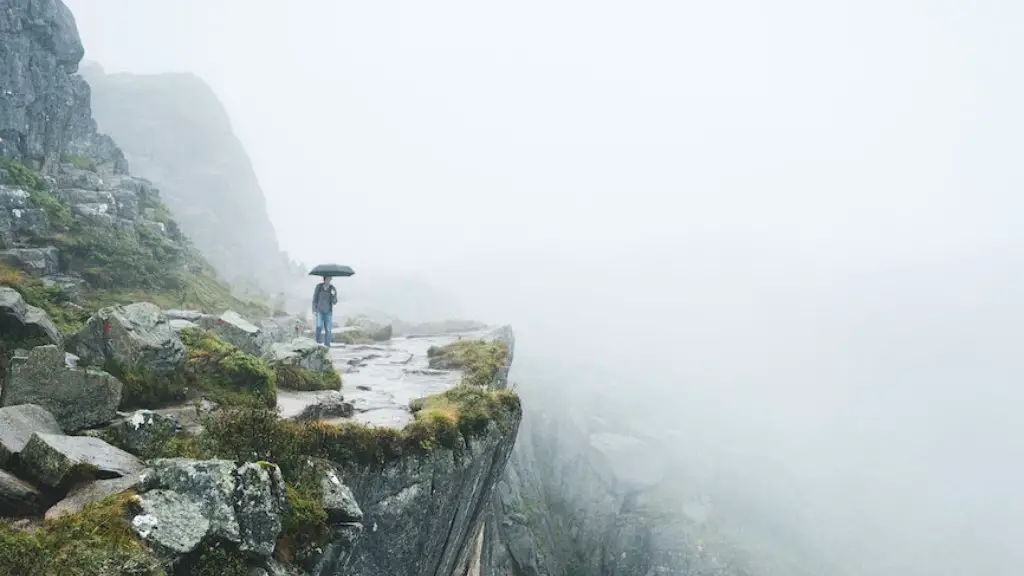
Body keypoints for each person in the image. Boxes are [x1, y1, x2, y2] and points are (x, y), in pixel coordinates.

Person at [311, 276, 338, 346]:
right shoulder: (319, 287)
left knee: (328, 330)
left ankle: (327, 346)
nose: (328, 281)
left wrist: (333, 295)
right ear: (324, 279)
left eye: (329, 279)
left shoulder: (332, 288)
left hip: (328, 312)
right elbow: (315, 299)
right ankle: (317, 343)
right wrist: (314, 309)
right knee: (319, 326)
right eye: (327, 279)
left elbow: (334, 302)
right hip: (319, 310)